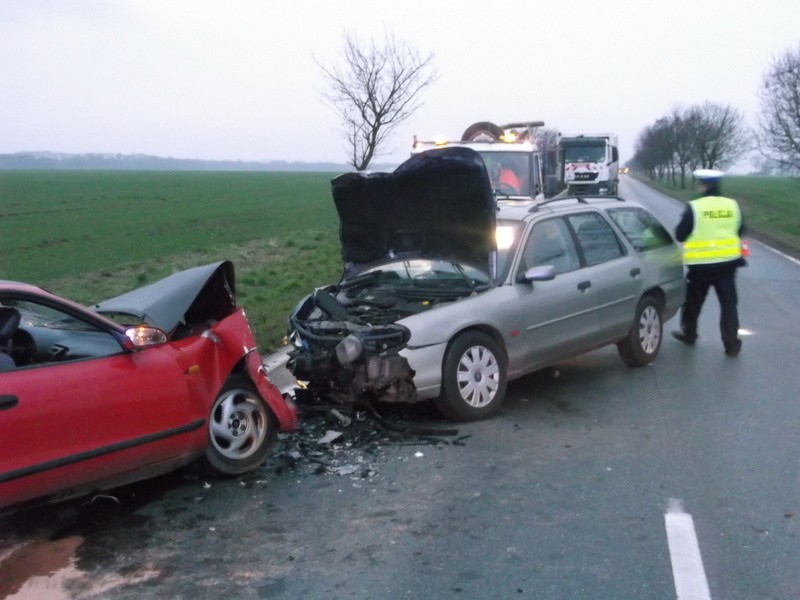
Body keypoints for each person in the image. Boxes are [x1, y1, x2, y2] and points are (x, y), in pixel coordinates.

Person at [672, 169, 746, 357]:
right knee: (729, 304)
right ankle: (731, 345)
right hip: (727, 265)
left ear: (704, 185)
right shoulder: (733, 205)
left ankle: (689, 334)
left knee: (693, 303)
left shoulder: (695, 207)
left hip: (700, 266)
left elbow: (680, 234)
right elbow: (741, 230)